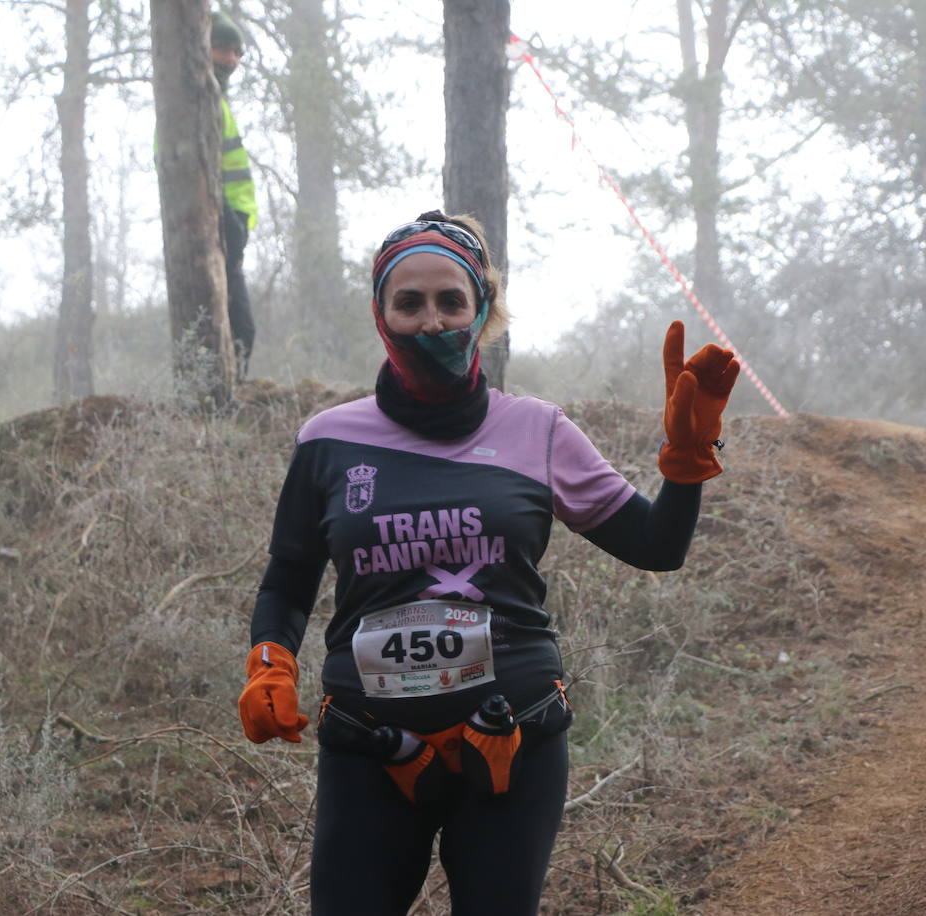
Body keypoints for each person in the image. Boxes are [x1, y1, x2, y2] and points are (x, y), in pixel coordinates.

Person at [236, 210, 740, 913]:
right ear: (381, 314)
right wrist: (270, 660)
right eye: (408, 302)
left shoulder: (537, 430)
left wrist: (687, 462)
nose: (432, 321)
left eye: (451, 301)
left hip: (512, 742)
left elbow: (658, 548)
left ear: (483, 311)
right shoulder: (327, 441)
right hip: (369, 747)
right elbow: (289, 576)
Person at [210, 10, 258, 379]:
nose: (232, 59)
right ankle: (223, 390)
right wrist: (226, 218)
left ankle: (234, 386)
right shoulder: (200, 98)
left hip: (232, 225)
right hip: (217, 224)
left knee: (241, 328)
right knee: (232, 325)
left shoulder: (217, 99)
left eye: (237, 52)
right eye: (224, 49)